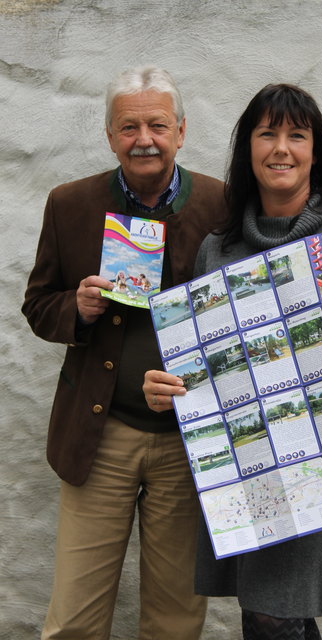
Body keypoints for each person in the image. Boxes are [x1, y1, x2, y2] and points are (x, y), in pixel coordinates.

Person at [143, 83, 322, 639]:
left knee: (277, 611)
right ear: (247, 147)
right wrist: (168, 387)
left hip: (321, 461)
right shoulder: (219, 248)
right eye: (267, 133)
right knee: (265, 613)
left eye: (297, 135)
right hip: (243, 463)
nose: (281, 148)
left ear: (315, 151)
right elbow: (205, 367)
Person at [22, 66, 227, 640]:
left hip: (188, 440)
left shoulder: (223, 205)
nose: (144, 139)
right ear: (110, 135)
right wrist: (77, 309)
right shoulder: (70, 204)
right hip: (98, 432)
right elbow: (38, 306)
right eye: (129, 126)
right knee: (74, 620)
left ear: (181, 132)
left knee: (176, 620)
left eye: (157, 125)